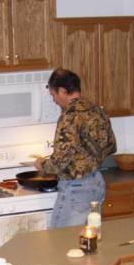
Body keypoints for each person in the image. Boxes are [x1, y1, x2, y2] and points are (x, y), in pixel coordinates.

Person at [34, 68, 116, 228]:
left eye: (54, 95)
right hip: (96, 183)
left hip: (76, 189)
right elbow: (111, 146)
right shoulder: (96, 111)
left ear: (63, 91)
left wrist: (41, 164)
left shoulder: (69, 117)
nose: (54, 100)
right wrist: (88, 158)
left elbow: (59, 162)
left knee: (60, 243)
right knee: (88, 241)